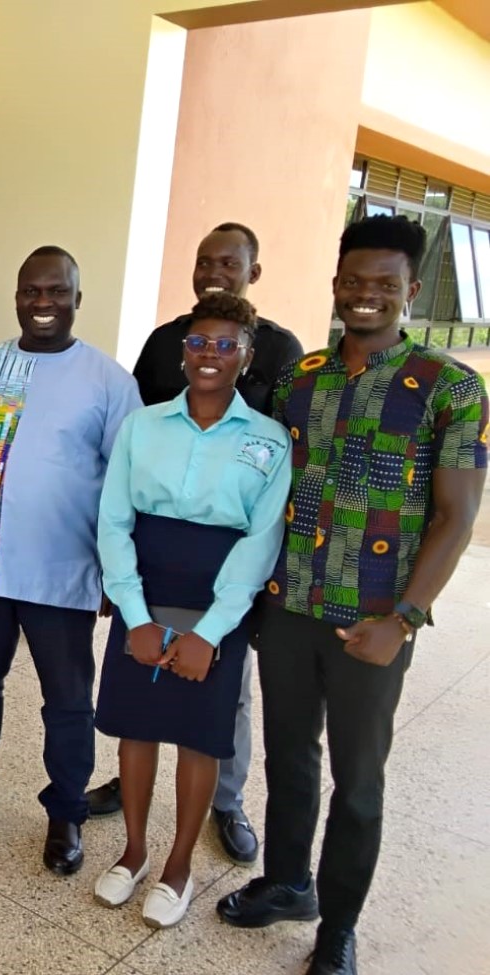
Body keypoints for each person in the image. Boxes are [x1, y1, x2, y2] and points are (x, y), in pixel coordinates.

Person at [217, 215, 487, 975]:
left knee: (359, 780)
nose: (367, 295)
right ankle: (287, 881)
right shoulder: (301, 378)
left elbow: (456, 516)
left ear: (409, 290)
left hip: (373, 623)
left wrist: (401, 621)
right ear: (336, 282)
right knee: (289, 757)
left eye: (386, 285)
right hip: (290, 607)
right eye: (355, 281)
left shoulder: (451, 389)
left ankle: (338, 924)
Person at [87, 222, 304, 865]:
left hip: (225, 569)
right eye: (204, 260)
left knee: (216, 703)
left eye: (228, 262)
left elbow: (265, 520)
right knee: (141, 700)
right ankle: (134, 834)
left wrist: (215, 623)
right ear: (184, 348)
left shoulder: (283, 359)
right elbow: (117, 509)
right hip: (148, 562)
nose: (209, 352)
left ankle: (225, 803)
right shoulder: (157, 360)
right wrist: (126, 600)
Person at [0, 245, 142, 876]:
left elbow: (125, 487)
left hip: (64, 573)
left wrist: (113, 571)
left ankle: (67, 810)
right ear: (17, 296)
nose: (42, 303)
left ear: (78, 298)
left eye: (56, 291)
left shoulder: (108, 381)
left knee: (68, 701)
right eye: (31, 291)